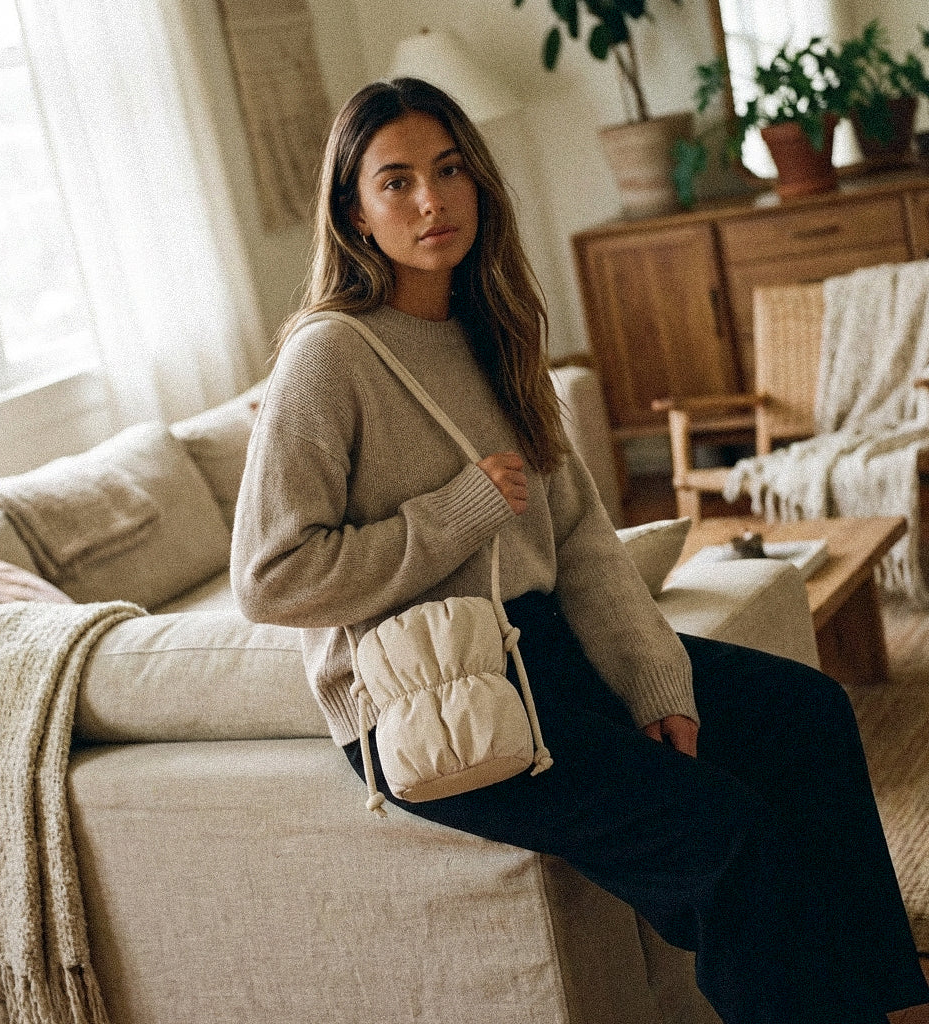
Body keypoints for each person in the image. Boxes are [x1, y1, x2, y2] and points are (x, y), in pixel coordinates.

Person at [231, 76, 929, 1024]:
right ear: (353, 211)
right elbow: (269, 578)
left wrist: (656, 682)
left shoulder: (497, 331)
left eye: (448, 170)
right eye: (396, 182)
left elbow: (581, 539)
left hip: (544, 652)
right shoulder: (330, 355)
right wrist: (456, 513)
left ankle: (881, 1004)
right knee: (726, 841)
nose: (431, 201)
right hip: (434, 691)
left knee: (806, 715)